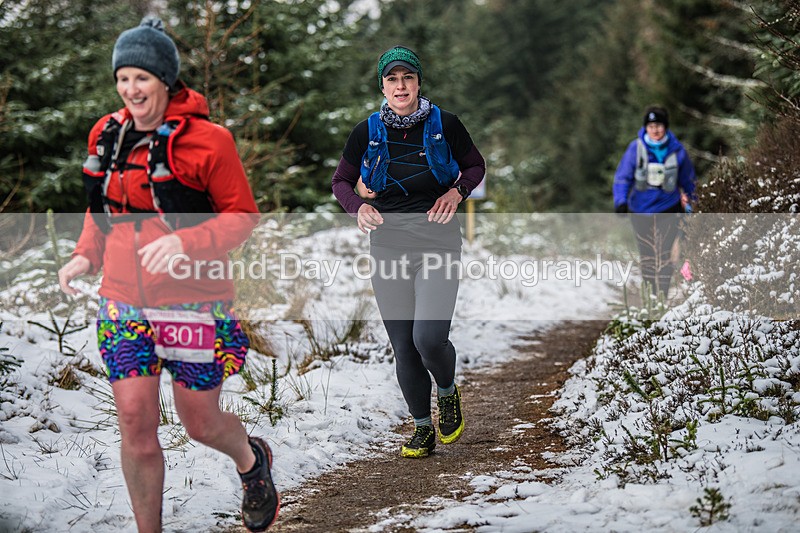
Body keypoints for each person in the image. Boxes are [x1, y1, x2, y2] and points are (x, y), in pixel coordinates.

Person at [57, 17, 278, 533]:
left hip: (193, 302)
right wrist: (85, 254)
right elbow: (101, 206)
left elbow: (242, 216)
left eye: (142, 78)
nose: (131, 89)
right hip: (122, 301)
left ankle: (251, 461)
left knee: (200, 422)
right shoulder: (107, 134)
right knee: (135, 423)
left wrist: (185, 241)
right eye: (123, 78)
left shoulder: (210, 141)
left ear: (166, 80)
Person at [332, 45, 486, 458]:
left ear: (418, 83)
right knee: (403, 344)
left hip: (438, 241)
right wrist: (357, 206)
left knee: (428, 338)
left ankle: (447, 391)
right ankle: (421, 427)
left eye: (407, 78)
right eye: (392, 79)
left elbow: (475, 166)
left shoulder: (446, 124)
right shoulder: (366, 131)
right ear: (382, 86)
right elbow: (340, 181)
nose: (400, 86)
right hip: (388, 244)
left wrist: (456, 193)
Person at [613, 105, 696, 298]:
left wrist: (695, 204)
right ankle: (651, 296)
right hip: (640, 210)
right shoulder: (635, 148)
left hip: (668, 208)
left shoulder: (677, 150)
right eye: (651, 126)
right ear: (646, 128)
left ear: (665, 127)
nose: (655, 130)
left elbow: (689, 181)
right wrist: (620, 201)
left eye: (658, 125)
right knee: (647, 255)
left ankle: (662, 296)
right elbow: (623, 177)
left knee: (664, 253)